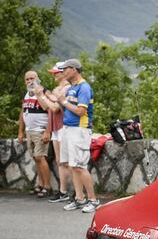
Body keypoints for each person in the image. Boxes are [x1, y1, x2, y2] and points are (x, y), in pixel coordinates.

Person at [53, 59, 100, 213]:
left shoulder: (84, 87)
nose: (63, 72)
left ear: (74, 69)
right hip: (68, 128)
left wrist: (63, 101)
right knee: (73, 166)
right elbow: (65, 107)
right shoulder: (72, 87)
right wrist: (58, 100)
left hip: (80, 130)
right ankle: (79, 199)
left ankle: (93, 200)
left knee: (80, 166)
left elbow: (81, 111)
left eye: (65, 69)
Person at [34, 62, 72, 203]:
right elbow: (46, 107)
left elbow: (55, 108)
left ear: (63, 73)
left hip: (63, 126)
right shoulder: (56, 89)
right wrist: (40, 95)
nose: (54, 75)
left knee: (65, 161)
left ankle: (68, 192)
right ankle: (63, 191)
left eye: (56, 73)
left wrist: (45, 96)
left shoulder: (67, 88)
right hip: (55, 127)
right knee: (59, 161)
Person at [18, 71, 52, 198]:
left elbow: (51, 111)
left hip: (40, 130)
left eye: (32, 78)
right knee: (35, 158)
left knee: (40, 157)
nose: (30, 81)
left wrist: (48, 131)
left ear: (38, 79)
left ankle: (48, 186)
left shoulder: (44, 91)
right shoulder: (26, 94)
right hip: (29, 130)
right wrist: (20, 131)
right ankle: (40, 184)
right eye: (27, 79)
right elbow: (23, 113)